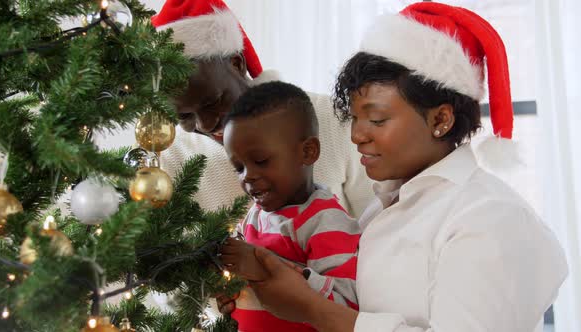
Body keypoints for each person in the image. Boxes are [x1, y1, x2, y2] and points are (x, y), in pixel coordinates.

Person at [226, 3, 568, 332]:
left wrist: (312, 310)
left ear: (441, 119)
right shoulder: (381, 210)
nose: (357, 135)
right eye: (355, 119)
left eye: (377, 119)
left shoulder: (491, 217)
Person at [150, 0, 374, 218]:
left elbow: (379, 227)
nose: (205, 124)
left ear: (237, 64)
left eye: (212, 102)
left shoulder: (332, 118)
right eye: (184, 116)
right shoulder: (167, 160)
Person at [220, 81, 360, 332]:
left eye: (261, 161)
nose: (247, 176)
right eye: (239, 167)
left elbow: (347, 304)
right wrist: (231, 289)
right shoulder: (256, 214)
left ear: (308, 152)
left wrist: (262, 266)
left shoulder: (324, 221)